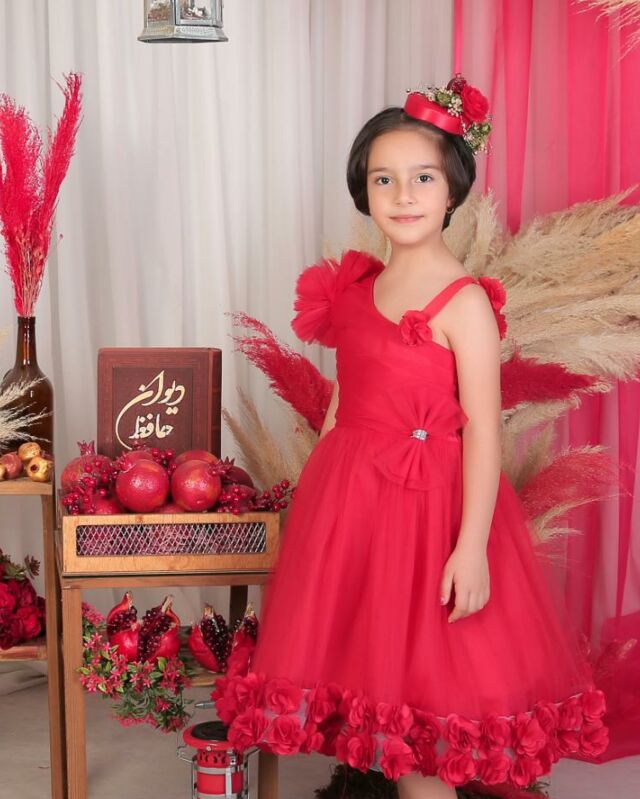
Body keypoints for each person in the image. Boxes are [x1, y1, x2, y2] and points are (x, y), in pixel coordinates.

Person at [213, 75, 609, 797]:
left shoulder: (464, 303)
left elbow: (483, 431)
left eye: (422, 177)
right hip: (353, 504)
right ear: (363, 191)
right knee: (376, 698)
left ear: (452, 187)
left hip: (431, 514)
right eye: (383, 179)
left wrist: (471, 546)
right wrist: (316, 517)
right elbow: (343, 407)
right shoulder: (354, 292)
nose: (403, 195)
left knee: (425, 715)